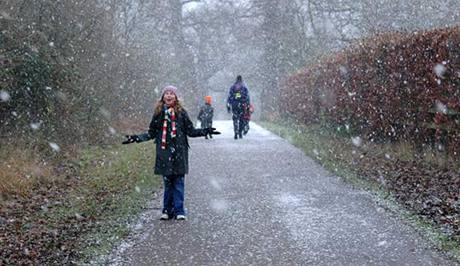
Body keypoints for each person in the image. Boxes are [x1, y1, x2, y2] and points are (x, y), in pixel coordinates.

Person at [122, 85, 220, 221]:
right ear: (162, 97)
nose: (169, 96)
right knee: (168, 183)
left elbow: (190, 131)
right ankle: (167, 210)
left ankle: (179, 210)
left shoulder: (182, 113)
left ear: (176, 97)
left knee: (179, 183)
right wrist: (136, 138)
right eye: (166, 93)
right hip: (164, 152)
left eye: (171, 93)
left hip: (179, 152)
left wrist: (205, 130)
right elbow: (151, 133)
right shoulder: (158, 114)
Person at [227, 75, 250, 139]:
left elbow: (229, 97)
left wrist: (228, 106)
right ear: (241, 79)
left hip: (234, 105)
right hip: (242, 105)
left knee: (235, 119)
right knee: (241, 119)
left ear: (236, 79)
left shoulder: (233, 87)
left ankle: (235, 132)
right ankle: (240, 132)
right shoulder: (244, 87)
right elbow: (247, 97)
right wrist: (248, 106)